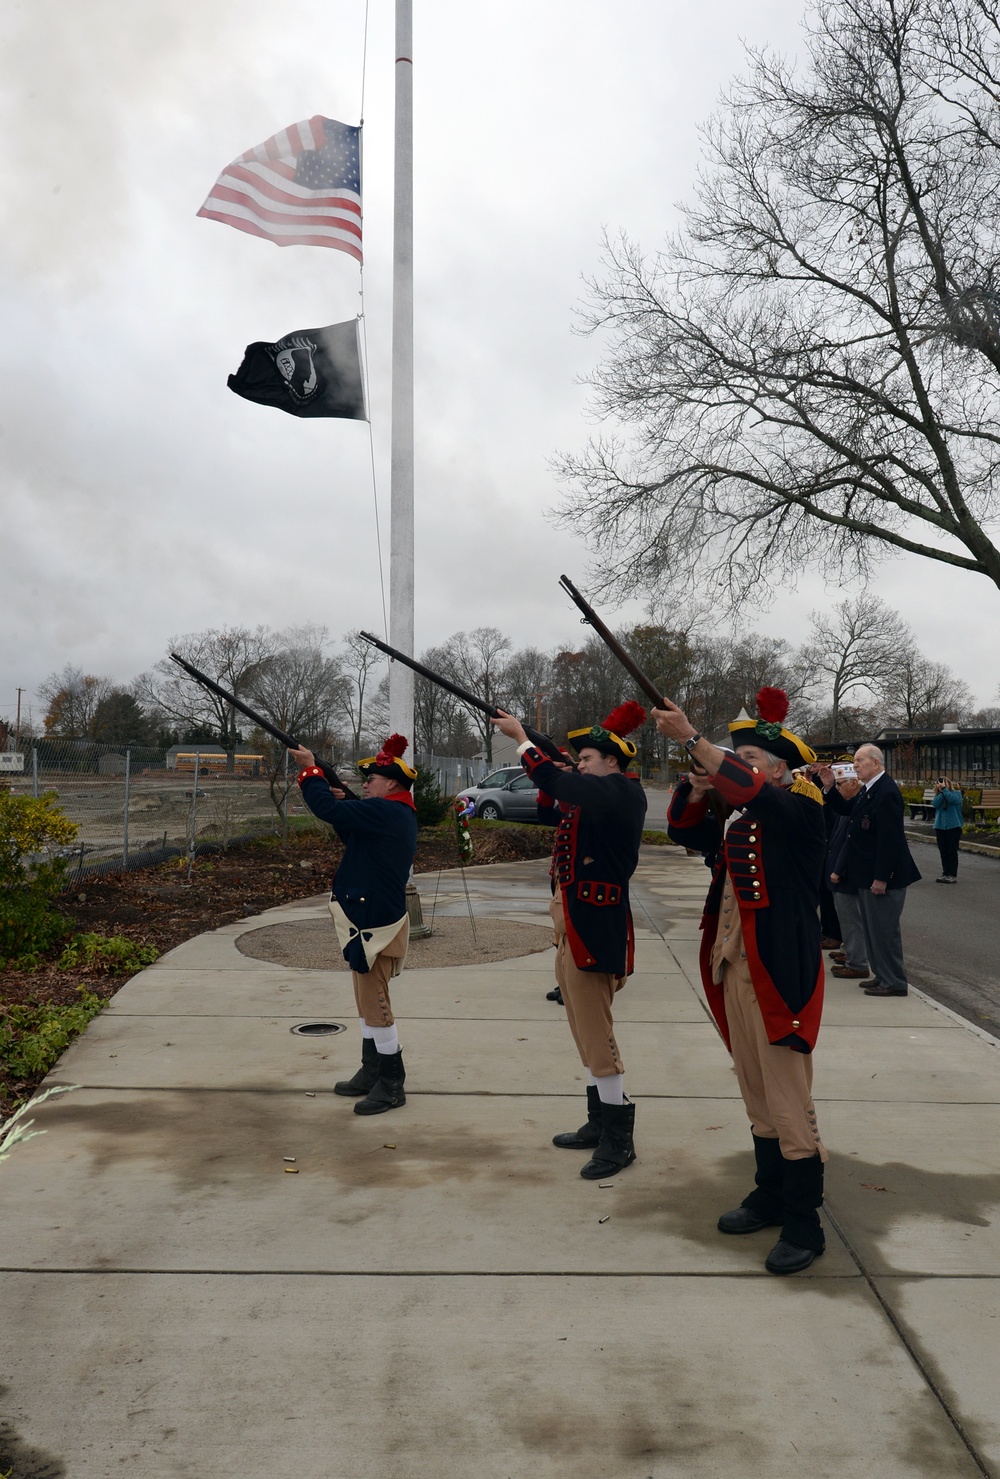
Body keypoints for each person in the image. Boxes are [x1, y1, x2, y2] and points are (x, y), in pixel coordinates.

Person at [660, 686, 828, 1276]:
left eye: (751, 759)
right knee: (755, 1090)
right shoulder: (741, 819)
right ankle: (770, 1193)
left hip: (779, 971)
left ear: (781, 770)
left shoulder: (800, 810)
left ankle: (805, 1217)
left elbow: (762, 799)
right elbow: (684, 832)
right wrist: (696, 786)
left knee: (787, 1097)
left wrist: (691, 739)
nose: (741, 768)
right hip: (734, 966)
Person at [491, 702, 647, 1179]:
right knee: (583, 1032)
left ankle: (619, 1139)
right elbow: (553, 807)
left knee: (598, 1038)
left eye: (587, 760)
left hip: (595, 929)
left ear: (612, 763)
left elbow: (563, 786)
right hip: (573, 927)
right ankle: (598, 1122)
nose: (579, 765)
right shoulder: (596, 796)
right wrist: (548, 765)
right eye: (577, 760)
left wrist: (522, 740)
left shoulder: (621, 792)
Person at [288, 733, 418, 1114]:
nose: (366, 785)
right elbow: (349, 827)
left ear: (391, 783)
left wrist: (311, 770)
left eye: (372, 780)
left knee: (375, 1005)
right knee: (365, 1002)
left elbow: (330, 811)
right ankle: (372, 1069)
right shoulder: (390, 810)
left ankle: (392, 1083)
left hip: (374, 924)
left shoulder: (389, 811)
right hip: (365, 919)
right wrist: (334, 784)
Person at [818, 744, 921, 998]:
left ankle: (894, 981)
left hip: (884, 877)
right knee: (874, 931)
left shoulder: (885, 791)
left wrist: (882, 877)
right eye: (855, 761)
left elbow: (890, 840)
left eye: (860, 760)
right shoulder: (868, 790)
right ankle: (882, 976)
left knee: (885, 931)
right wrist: (830, 787)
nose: (855, 765)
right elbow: (847, 812)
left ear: (876, 763)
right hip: (866, 874)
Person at [824, 773, 873, 982]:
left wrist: (838, 869)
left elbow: (849, 843)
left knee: (853, 920)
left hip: (848, 874)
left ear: (855, 783)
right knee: (845, 919)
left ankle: (857, 962)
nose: (838, 788)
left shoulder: (857, 806)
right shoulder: (846, 806)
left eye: (840, 784)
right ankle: (851, 953)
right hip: (840, 870)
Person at [933, 778, 963, 884]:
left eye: (943, 782)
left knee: (952, 851)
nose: (940, 784)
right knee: (943, 851)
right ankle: (945, 873)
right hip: (940, 826)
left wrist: (945, 789)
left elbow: (953, 800)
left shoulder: (957, 794)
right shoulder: (938, 795)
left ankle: (952, 874)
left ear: (948, 784)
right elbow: (935, 804)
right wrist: (941, 792)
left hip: (953, 826)